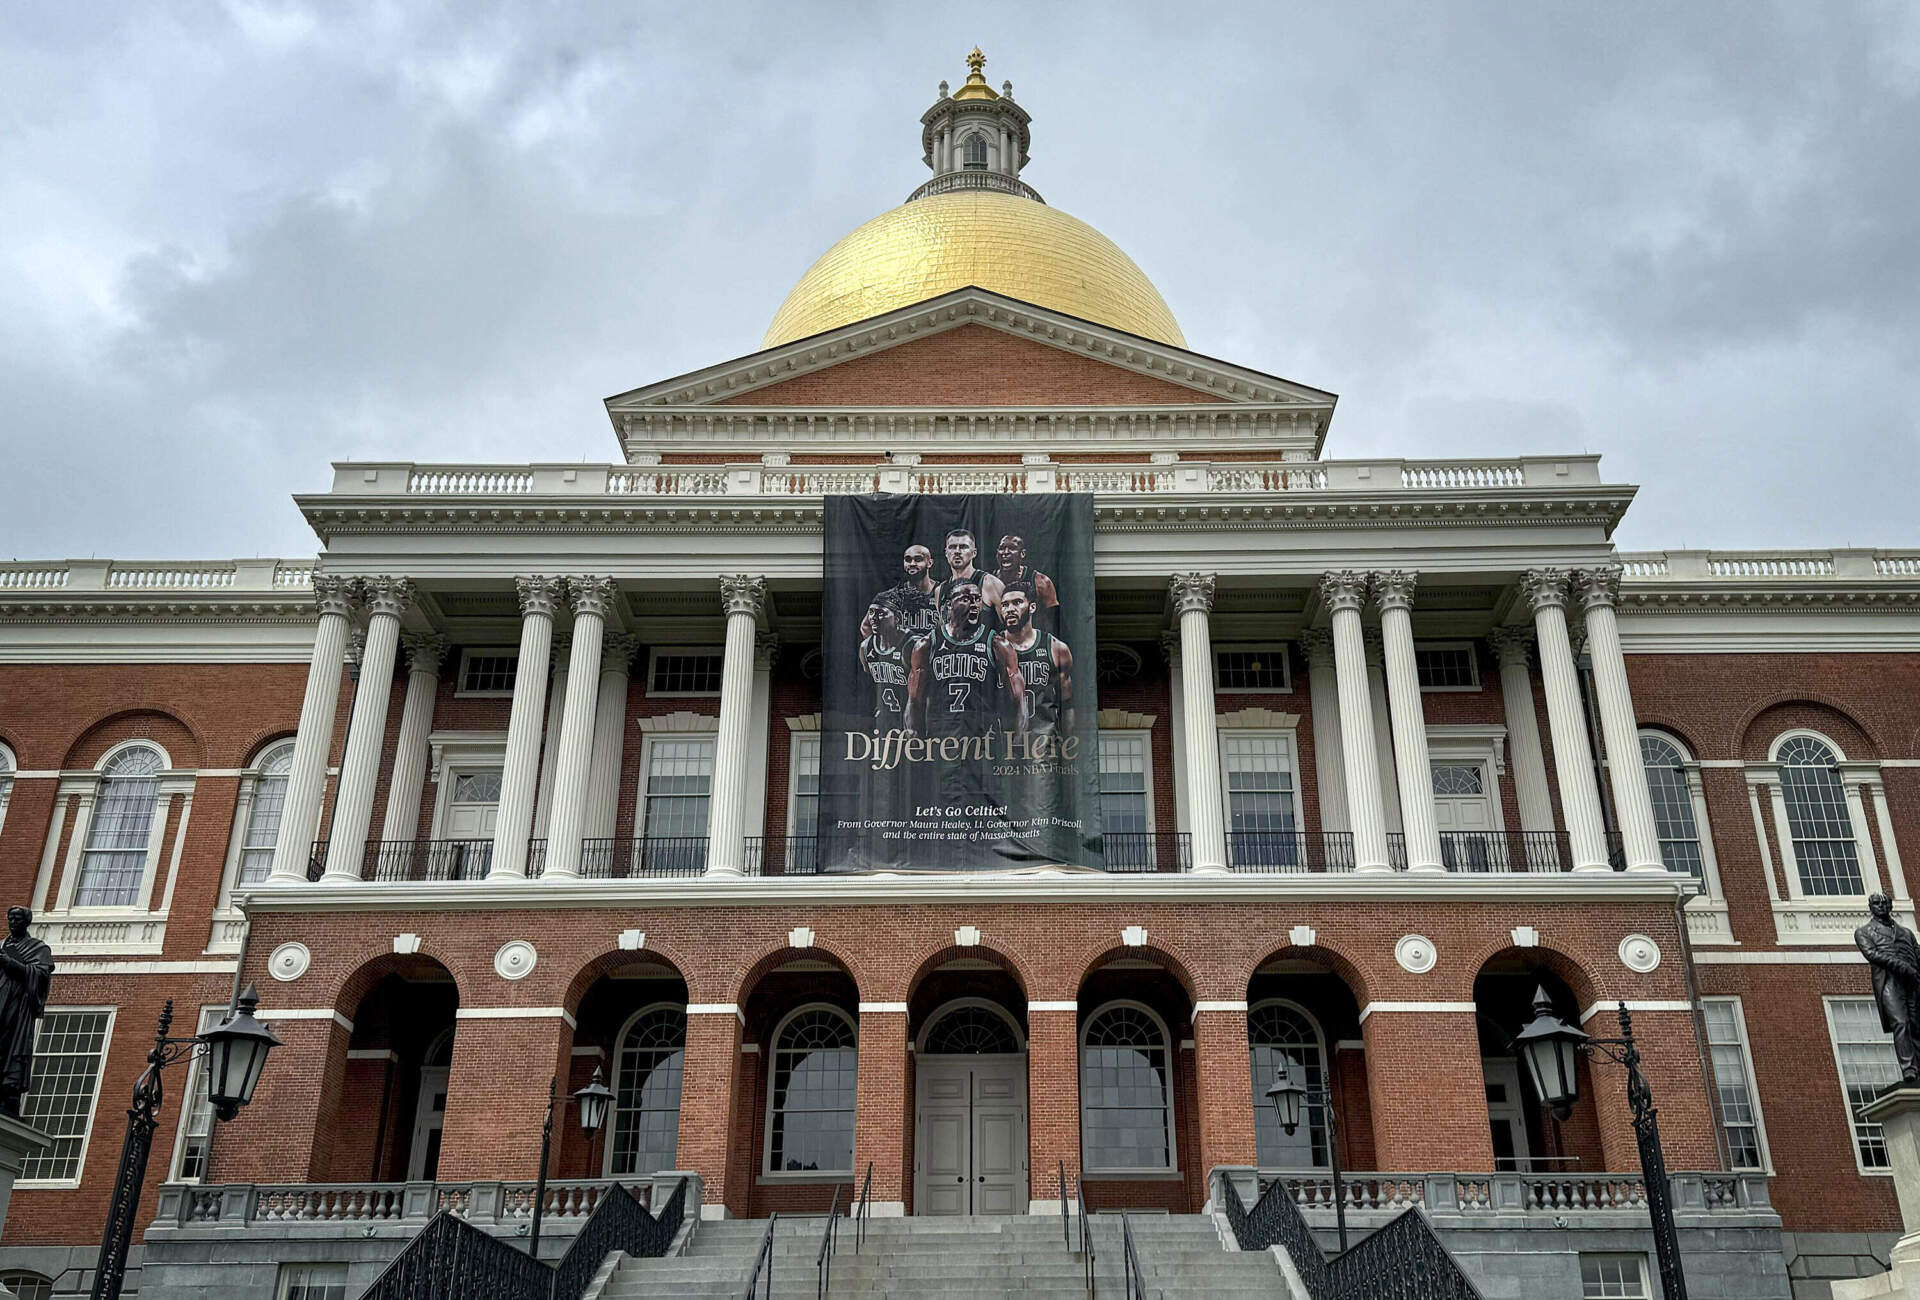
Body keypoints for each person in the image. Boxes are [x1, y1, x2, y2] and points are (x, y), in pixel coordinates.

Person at [908, 579, 1022, 738]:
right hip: (940, 737)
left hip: (982, 739)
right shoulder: (927, 645)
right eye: (966, 599)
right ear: (949, 604)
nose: (974, 604)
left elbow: (1017, 700)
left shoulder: (997, 644)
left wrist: (1016, 739)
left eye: (977, 599)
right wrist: (914, 733)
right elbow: (915, 700)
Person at [1857, 892, 1920, 1082]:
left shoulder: (1906, 932)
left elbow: (1917, 954)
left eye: (1885, 903)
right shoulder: (1864, 932)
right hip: (1890, 982)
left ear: (1891, 906)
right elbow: (1872, 954)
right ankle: (1909, 1068)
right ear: (1871, 907)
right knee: (1900, 1023)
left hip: (1912, 982)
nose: (1881, 906)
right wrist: (1901, 966)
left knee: (1917, 1026)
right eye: (1876, 903)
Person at [998, 581, 1072, 735]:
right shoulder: (993, 646)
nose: (1010, 609)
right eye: (1005, 605)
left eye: (1017, 602)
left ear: (1032, 607)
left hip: (1042, 743)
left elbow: (1067, 705)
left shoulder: (1056, 648)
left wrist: (1067, 744)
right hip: (1003, 742)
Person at [0, 906, 54, 1118]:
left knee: (9, 1043)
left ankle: (8, 1089)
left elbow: (41, 975)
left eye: (18, 918)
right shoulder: (2, 944)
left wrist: (11, 963)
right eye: (10, 917)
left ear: (26, 922)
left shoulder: (38, 948)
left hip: (16, 1005)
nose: (13, 921)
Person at [858, 590, 913, 730]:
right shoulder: (866, 647)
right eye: (871, 612)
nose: (874, 618)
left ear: (898, 617)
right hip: (883, 719)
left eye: (881, 613)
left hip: (909, 721)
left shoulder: (912, 645)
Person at [934, 529, 1005, 626]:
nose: (957, 551)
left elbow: (1011, 629)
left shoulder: (990, 583)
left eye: (963, 547)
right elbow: (944, 631)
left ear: (974, 553)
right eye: (952, 547)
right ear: (946, 553)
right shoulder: (940, 590)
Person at [994, 534, 1059, 631]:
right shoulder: (989, 582)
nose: (1005, 552)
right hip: (1000, 641)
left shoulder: (1042, 583)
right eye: (1002, 548)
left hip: (1031, 641)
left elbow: (1053, 621)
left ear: (1022, 554)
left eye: (1012, 548)